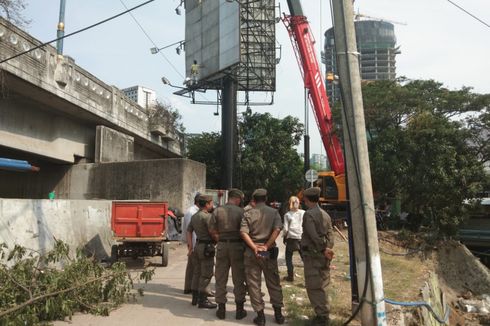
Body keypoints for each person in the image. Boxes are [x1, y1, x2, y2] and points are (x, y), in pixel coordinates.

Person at [240, 188, 285, 326]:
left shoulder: (247, 213)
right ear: (266, 198)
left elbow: (243, 232)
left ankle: (260, 316)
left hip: (252, 252)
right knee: (273, 282)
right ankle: (278, 314)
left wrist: (254, 247)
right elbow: (277, 229)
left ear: (254, 199)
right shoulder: (273, 212)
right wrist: (266, 246)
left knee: (253, 284)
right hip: (267, 252)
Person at [209, 189, 247, 320]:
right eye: (240, 199)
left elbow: (212, 229)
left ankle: (221, 309)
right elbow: (245, 230)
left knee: (220, 277)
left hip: (222, 246)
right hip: (237, 246)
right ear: (237, 198)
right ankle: (239, 309)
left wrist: (219, 239)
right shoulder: (242, 212)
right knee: (238, 278)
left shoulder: (217, 210)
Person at [301, 187, 335, 326]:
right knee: (324, 284)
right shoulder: (325, 214)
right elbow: (331, 235)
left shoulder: (309, 214)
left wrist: (322, 248)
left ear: (307, 199)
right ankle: (325, 311)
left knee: (314, 286)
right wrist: (328, 248)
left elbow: (312, 235)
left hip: (314, 255)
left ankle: (322, 316)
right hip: (324, 255)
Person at [187, 194, 218, 309]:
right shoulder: (208, 217)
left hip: (197, 246)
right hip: (207, 247)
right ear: (207, 204)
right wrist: (218, 240)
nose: (212, 205)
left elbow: (189, 231)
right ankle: (203, 300)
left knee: (197, 272)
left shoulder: (195, 216)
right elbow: (212, 232)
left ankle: (195, 298)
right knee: (206, 274)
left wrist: (190, 246)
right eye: (211, 203)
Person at [282, 195, 305, 282]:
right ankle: (308, 278)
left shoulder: (287, 215)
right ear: (299, 203)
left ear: (289, 204)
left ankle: (290, 276)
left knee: (288, 258)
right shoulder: (304, 213)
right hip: (301, 237)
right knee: (304, 258)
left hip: (291, 238)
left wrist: (284, 237)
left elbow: (285, 229)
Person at [181, 193, 200, 294]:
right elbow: (191, 231)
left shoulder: (193, 211)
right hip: (193, 243)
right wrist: (191, 246)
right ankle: (193, 289)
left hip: (193, 243)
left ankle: (189, 287)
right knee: (196, 267)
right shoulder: (192, 212)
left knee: (191, 266)